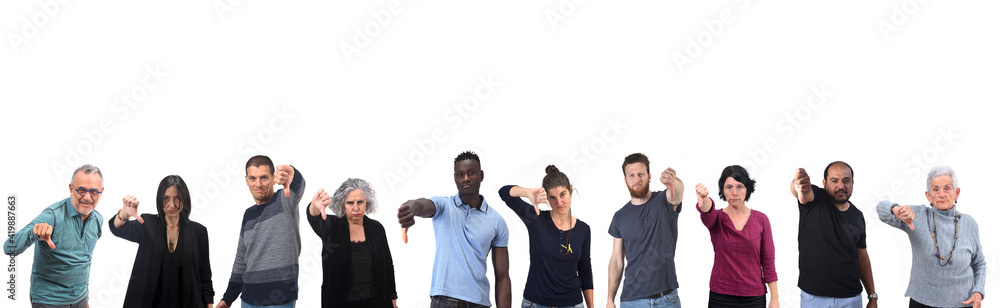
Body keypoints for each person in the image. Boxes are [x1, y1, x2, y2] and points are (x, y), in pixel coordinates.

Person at [397, 151, 511, 308]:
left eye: (471, 173)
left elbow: (503, 277)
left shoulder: (496, 221)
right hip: (445, 302)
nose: (465, 178)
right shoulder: (443, 206)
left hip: (479, 303)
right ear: (455, 177)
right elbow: (421, 204)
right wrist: (410, 209)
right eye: (460, 174)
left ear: (481, 175)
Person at [876, 166, 985, 308]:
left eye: (947, 188)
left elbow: (979, 263)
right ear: (929, 196)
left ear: (956, 193)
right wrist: (896, 210)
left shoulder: (969, 224)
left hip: (962, 303)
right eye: (936, 189)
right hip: (922, 302)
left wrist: (978, 291)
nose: (941, 194)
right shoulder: (917, 216)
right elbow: (880, 209)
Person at [4, 164, 105, 308]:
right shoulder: (52, 216)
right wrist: (33, 233)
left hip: (79, 299)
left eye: (94, 191)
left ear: (101, 192)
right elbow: (9, 247)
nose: (87, 197)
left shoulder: (98, 220)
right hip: (49, 301)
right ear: (71, 189)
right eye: (81, 190)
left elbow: (85, 262)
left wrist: (85, 299)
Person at [110, 175, 214, 308]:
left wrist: (209, 305)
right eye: (166, 199)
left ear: (185, 200)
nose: (171, 205)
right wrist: (125, 213)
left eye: (177, 198)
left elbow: (205, 275)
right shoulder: (147, 224)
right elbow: (118, 228)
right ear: (160, 200)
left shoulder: (199, 232)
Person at [498, 165, 594, 308]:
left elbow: (585, 269)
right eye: (552, 198)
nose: (559, 203)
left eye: (563, 194)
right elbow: (504, 193)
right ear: (547, 198)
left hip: (573, 304)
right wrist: (527, 192)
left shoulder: (584, 229)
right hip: (536, 303)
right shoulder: (535, 219)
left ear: (570, 190)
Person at [218, 155, 305, 308]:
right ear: (246, 180)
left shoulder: (284, 200)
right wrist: (227, 299)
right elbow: (241, 261)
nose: (258, 184)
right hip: (248, 300)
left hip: (280, 299)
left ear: (273, 178)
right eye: (253, 178)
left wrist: (290, 172)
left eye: (264, 178)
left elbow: (298, 186)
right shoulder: (248, 215)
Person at [790, 161, 877, 308]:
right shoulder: (815, 199)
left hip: (851, 299)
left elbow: (862, 258)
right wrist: (798, 184)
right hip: (814, 299)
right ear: (824, 182)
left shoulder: (858, 216)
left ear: (852, 183)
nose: (841, 186)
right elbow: (802, 192)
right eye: (834, 181)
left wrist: (872, 296)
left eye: (846, 181)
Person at [607, 153, 684, 308]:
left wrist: (673, 182)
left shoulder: (663, 201)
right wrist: (610, 299)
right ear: (626, 180)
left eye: (641, 174)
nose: (637, 180)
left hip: (667, 299)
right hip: (632, 300)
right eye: (632, 175)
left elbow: (677, 194)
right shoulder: (619, 217)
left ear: (649, 177)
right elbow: (616, 259)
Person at [693, 165, 778, 308]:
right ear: (723, 191)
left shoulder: (761, 220)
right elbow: (707, 211)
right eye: (728, 187)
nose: (734, 193)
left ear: (747, 189)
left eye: (739, 187)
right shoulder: (717, 219)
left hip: (754, 297)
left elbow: (768, 261)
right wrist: (704, 199)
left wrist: (774, 298)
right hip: (721, 296)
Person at [307, 178, 398, 308]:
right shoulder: (332, 227)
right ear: (342, 204)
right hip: (340, 302)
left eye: (360, 202)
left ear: (367, 202)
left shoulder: (377, 228)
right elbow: (314, 218)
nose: (356, 208)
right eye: (350, 203)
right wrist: (314, 206)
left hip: (376, 301)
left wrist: (393, 298)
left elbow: (388, 265)